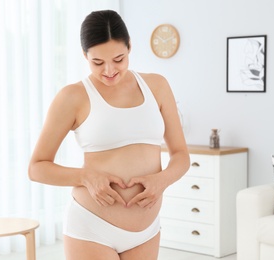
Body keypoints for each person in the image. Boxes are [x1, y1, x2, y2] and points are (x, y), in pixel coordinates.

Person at [28, 9, 190, 260]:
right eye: (98, 62)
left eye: (119, 59)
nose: (110, 70)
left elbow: (181, 155)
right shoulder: (72, 97)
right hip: (92, 228)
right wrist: (85, 177)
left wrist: (163, 180)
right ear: (85, 55)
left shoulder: (157, 86)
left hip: (146, 230)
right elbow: (37, 168)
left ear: (129, 48)